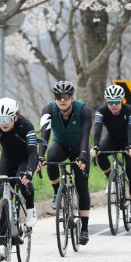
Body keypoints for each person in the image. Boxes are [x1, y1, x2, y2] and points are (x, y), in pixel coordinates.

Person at [0, 97, 39, 251]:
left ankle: (30, 208)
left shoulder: (26, 126)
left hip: (25, 159)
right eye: (0, 119)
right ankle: (3, 242)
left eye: (7, 119)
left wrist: (29, 172)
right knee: (2, 194)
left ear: (15, 117)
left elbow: (33, 153)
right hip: (7, 160)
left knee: (22, 182)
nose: (3, 123)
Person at [38, 80, 93, 245]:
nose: (62, 100)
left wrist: (83, 155)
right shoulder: (48, 110)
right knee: (51, 158)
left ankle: (84, 229)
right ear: (54, 98)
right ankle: (57, 192)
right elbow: (45, 134)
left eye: (66, 96)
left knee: (82, 185)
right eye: (58, 96)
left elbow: (85, 135)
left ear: (72, 97)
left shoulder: (84, 110)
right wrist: (40, 156)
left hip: (79, 147)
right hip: (60, 145)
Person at [91, 84, 131, 224]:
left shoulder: (130, 110)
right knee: (101, 154)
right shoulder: (101, 111)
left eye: (116, 102)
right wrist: (95, 146)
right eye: (110, 102)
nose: (113, 105)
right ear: (106, 101)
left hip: (130, 140)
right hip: (113, 139)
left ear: (122, 100)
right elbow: (97, 128)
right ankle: (112, 180)